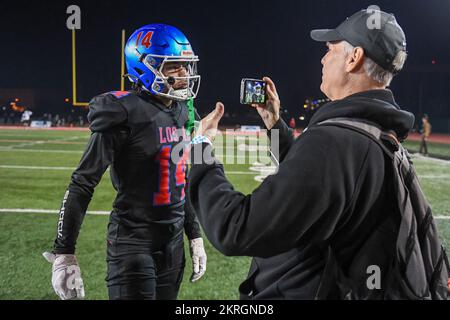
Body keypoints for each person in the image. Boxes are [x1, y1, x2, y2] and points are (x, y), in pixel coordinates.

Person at [189, 9, 416, 299]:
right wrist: (274, 125)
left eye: (330, 49)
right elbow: (319, 187)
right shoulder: (377, 132)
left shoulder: (335, 141)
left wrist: (200, 148)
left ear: (353, 57)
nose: (323, 58)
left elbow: (235, 228)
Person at [43, 23, 207, 300]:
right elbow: (83, 182)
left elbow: (182, 176)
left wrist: (194, 233)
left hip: (173, 244)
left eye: (186, 65)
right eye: (174, 66)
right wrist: (64, 252)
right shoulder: (122, 112)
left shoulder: (182, 111)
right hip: (132, 244)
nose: (184, 74)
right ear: (144, 67)